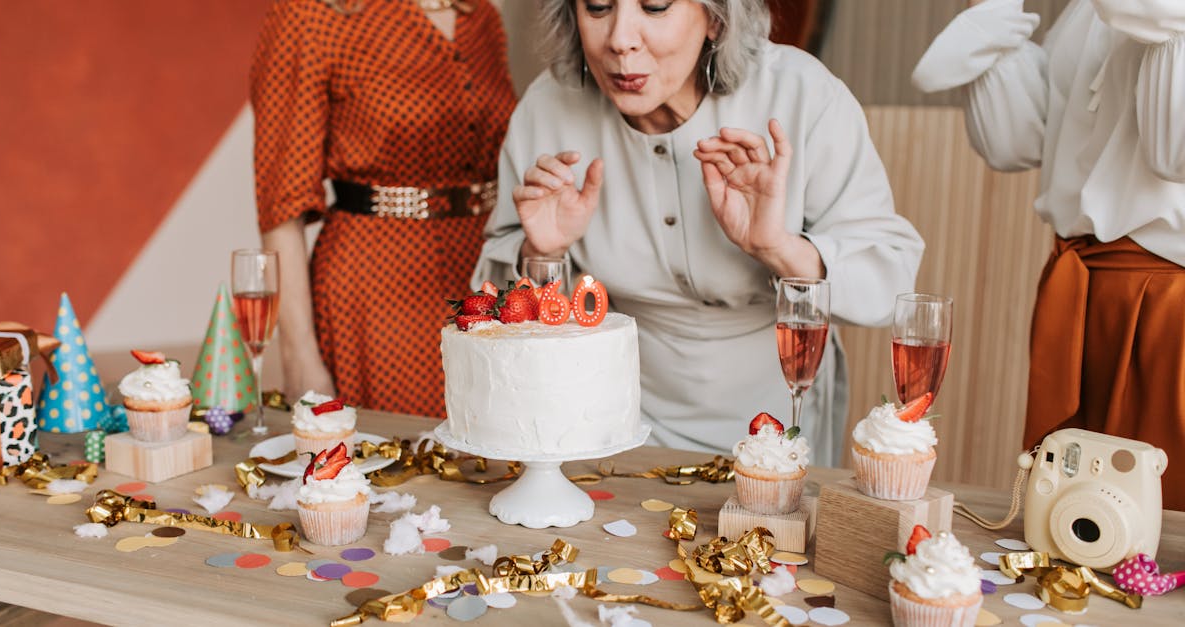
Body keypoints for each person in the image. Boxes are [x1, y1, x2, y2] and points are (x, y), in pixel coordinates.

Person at [472, 0, 923, 465]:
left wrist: (778, 248)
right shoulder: (548, 106)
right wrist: (544, 253)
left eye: (655, 7)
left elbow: (888, 280)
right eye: (599, 7)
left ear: (715, 17)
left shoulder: (800, 93)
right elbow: (501, 312)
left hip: (777, 417)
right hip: (612, 418)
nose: (620, 38)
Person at [913, 0, 1185, 507]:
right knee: (1072, 511)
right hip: (1081, 285)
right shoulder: (1083, 11)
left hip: (1166, 303)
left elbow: (1176, 152)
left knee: (1157, 522)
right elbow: (1017, 142)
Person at [251, 0, 516, 416]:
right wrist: (298, 355)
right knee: (400, 464)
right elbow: (283, 203)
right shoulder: (310, 14)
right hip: (376, 288)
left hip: (484, 278)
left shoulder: (480, 15)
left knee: (490, 459)